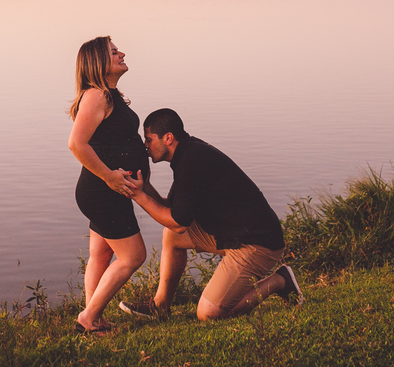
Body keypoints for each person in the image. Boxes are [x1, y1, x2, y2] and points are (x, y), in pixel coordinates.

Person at [120, 108, 302, 321]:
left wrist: (138, 196)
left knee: (209, 314)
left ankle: (280, 281)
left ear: (168, 138)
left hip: (257, 244)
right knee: (172, 236)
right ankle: (160, 307)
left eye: (148, 140)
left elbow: (179, 223)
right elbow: (173, 210)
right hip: (233, 235)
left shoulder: (192, 161)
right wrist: (146, 187)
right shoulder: (187, 154)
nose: (146, 146)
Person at [67, 36, 150, 333]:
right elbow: (77, 144)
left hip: (103, 191)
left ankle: (94, 316)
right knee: (133, 255)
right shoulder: (97, 95)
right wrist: (110, 176)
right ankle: (89, 319)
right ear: (97, 62)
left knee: (101, 254)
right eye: (114, 52)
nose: (122, 53)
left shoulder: (109, 96)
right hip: (102, 191)